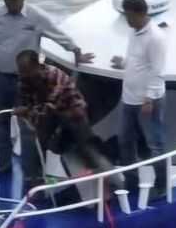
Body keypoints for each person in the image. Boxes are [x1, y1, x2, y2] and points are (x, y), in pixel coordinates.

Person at [0, 0, 93, 181]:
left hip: (26, 81)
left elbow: (58, 34)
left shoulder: (35, 17)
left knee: (28, 126)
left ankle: (31, 174)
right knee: (1, 121)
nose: (9, 1)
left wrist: (75, 51)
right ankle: (4, 165)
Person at [14, 50, 118, 192]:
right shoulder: (24, 81)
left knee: (87, 148)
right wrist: (23, 111)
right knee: (39, 145)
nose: (23, 75)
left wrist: (28, 111)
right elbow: (28, 104)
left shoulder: (55, 76)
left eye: (27, 71)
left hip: (73, 112)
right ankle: (38, 183)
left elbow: (48, 107)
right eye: (21, 72)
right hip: (51, 114)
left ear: (38, 65)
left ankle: (111, 183)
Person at [110, 0, 168, 200]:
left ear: (140, 13)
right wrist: (123, 64)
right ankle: (131, 182)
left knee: (154, 144)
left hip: (147, 100)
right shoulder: (134, 32)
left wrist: (149, 98)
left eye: (129, 15)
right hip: (129, 99)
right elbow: (137, 60)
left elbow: (157, 69)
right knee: (125, 141)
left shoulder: (156, 37)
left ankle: (161, 185)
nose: (127, 20)